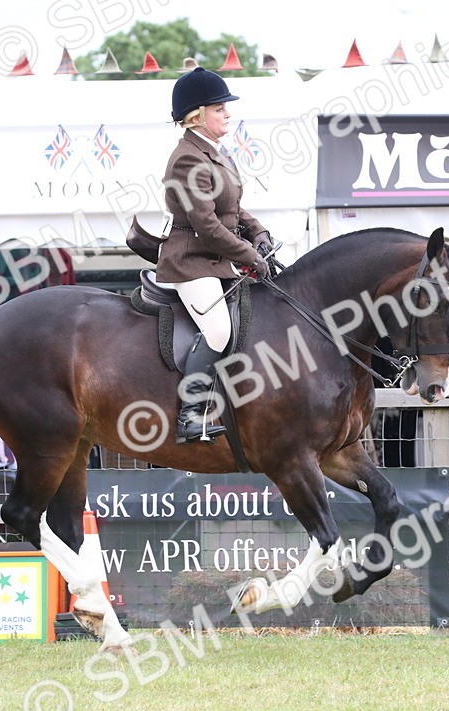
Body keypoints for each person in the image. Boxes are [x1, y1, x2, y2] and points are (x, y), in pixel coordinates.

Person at [158, 66, 273, 444]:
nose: (227, 113)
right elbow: (206, 225)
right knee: (219, 328)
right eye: (220, 108)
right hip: (190, 261)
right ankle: (190, 415)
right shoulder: (187, 159)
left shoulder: (216, 154)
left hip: (216, 259)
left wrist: (259, 234)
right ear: (197, 115)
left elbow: (234, 209)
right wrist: (249, 256)